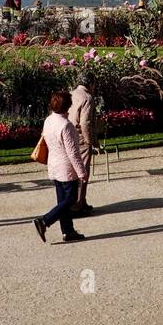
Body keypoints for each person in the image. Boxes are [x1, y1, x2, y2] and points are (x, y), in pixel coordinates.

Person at [33, 91, 88, 243]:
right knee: (71, 199)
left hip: (54, 165)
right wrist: (82, 172)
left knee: (62, 201)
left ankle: (68, 230)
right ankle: (44, 221)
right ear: (68, 106)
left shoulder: (49, 120)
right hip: (66, 168)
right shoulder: (66, 126)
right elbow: (73, 153)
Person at [68, 77, 97, 215]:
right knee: (83, 171)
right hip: (81, 137)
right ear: (90, 84)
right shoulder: (88, 97)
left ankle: (81, 201)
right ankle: (78, 205)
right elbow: (85, 123)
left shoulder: (72, 93)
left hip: (70, 134)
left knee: (74, 170)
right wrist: (89, 141)